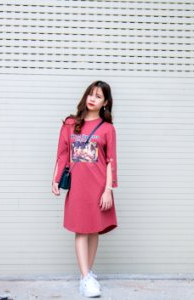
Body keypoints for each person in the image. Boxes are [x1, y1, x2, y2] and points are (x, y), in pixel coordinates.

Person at [52, 80, 118, 298]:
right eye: (91, 94)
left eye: (99, 96)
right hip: (78, 186)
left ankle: (87, 274)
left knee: (94, 229)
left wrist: (108, 189)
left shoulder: (108, 128)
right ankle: (85, 278)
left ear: (105, 102)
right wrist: (55, 179)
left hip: (99, 186)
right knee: (81, 229)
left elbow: (110, 161)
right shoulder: (70, 123)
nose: (93, 99)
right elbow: (62, 153)